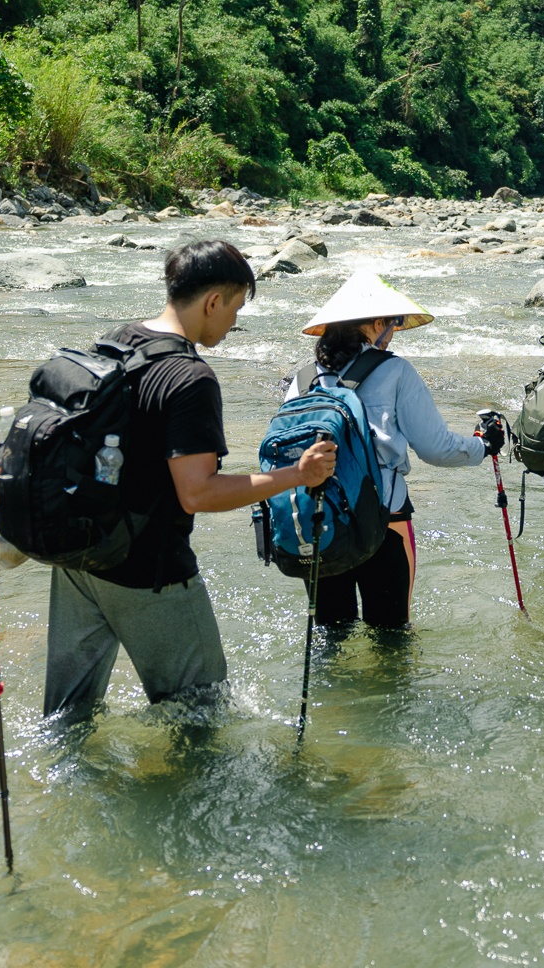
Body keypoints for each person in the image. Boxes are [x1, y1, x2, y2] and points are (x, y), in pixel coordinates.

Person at [44, 241, 335, 723]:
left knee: (67, 720)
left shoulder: (117, 341)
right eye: (237, 307)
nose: (235, 322)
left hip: (79, 556)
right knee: (202, 718)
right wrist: (295, 475)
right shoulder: (190, 378)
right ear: (212, 302)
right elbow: (197, 492)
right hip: (148, 572)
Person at [287, 272, 492, 627]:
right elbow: (436, 449)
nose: (394, 331)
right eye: (393, 323)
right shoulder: (395, 370)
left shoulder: (304, 378)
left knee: (330, 637)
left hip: (318, 522)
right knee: (392, 638)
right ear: (376, 323)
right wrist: (483, 446)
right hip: (384, 521)